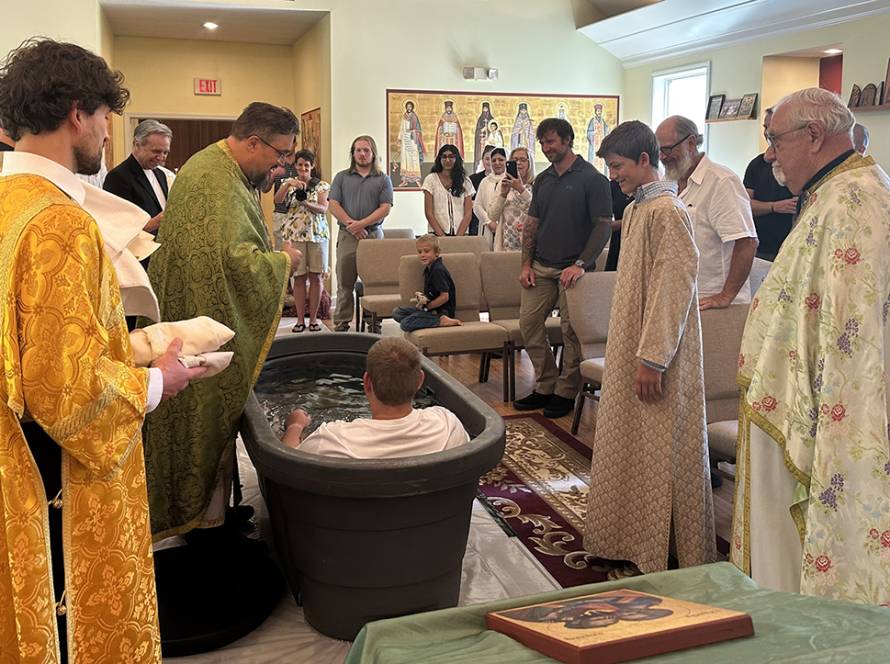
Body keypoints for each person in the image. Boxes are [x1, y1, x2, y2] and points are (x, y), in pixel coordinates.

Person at [0, 38, 203, 663]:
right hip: (52, 474)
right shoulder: (61, 221)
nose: (107, 133)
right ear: (77, 113)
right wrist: (158, 380)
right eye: (107, 117)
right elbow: (65, 390)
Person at [731, 88, 890, 605]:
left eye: (775, 141)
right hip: (795, 397)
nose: (770, 155)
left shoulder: (851, 203)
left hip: (822, 414)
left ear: (814, 136)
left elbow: (852, 332)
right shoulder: (841, 192)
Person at [141, 101, 303, 541]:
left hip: (190, 318)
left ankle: (214, 518)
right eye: (279, 154)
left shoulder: (210, 166)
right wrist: (283, 262)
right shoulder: (218, 182)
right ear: (253, 142)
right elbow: (239, 263)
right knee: (204, 419)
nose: (281, 164)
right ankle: (206, 530)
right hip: (200, 329)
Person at [583, 120, 717, 574]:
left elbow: (673, 288)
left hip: (660, 355)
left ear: (645, 160)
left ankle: (669, 549)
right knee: (633, 443)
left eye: (618, 166)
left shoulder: (667, 211)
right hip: (632, 344)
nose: (613, 175)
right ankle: (630, 538)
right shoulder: (640, 208)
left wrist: (653, 359)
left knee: (663, 450)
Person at [513, 118, 612, 418]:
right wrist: (526, 263)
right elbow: (532, 225)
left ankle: (566, 392)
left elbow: (603, 226)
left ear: (568, 140)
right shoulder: (543, 180)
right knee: (528, 325)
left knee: (571, 332)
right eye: (542, 143)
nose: (546, 148)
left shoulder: (593, 179)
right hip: (541, 267)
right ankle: (545, 384)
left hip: (575, 272)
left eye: (551, 142)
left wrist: (581, 264)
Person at [281, 338, 468, 457]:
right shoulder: (447, 424)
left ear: (367, 382)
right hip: (434, 517)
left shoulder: (331, 441)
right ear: (420, 381)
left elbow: (286, 465)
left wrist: (295, 426)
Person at [655, 116, 758, 308]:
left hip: (713, 304)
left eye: (668, 149)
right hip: (679, 298)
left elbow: (747, 242)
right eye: (658, 150)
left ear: (691, 143)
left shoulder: (722, 182)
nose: (662, 157)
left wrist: (725, 296)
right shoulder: (668, 183)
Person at [329, 135, 394, 332]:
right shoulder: (341, 177)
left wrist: (362, 224)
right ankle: (341, 324)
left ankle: (373, 322)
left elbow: (385, 207)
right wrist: (352, 225)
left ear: (373, 153)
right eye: (358, 150)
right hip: (347, 236)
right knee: (344, 283)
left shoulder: (383, 179)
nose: (362, 154)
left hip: (373, 237)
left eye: (366, 150)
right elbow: (333, 204)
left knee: (373, 284)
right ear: (353, 153)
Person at [275, 149, 330, 332]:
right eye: (300, 165)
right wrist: (287, 185)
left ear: (312, 166)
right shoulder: (288, 184)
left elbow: (323, 208)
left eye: (307, 165)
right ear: (295, 165)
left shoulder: (321, 185)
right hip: (295, 235)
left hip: (317, 235)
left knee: (316, 277)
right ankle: (300, 320)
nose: (303, 168)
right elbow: (278, 200)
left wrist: (305, 201)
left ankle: (313, 319)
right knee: (298, 278)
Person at [743, 108, 797, 261]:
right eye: (765, 127)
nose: (767, 132)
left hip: (789, 251)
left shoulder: (797, 165)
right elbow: (744, 206)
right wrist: (774, 206)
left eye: (771, 127)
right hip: (760, 248)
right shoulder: (756, 164)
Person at [104, 118, 173, 234]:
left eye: (165, 152)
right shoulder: (117, 177)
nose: (161, 157)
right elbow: (116, 227)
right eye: (156, 151)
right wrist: (151, 224)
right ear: (137, 144)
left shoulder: (161, 174)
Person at [392, 234, 463, 331]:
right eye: (419, 252)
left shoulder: (438, 270)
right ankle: (421, 319)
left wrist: (427, 307)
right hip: (430, 310)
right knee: (397, 312)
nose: (422, 255)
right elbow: (432, 293)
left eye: (426, 251)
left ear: (437, 252)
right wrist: (423, 299)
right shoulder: (429, 269)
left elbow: (445, 297)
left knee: (405, 324)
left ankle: (441, 321)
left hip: (440, 312)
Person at [488, 146, 535, 251]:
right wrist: (503, 195)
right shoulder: (502, 183)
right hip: (506, 244)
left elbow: (537, 211)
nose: (518, 163)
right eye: (514, 160)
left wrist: (521, 189)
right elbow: (492, 216)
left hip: (529, 242)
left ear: (529, 163)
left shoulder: (536, 184)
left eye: (522, 160)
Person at [422, 144, 474, 236]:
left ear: (457, 159)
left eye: (451, 157)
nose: (447, 160)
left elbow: (468, 213)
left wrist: (459, 236)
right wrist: (441, 235)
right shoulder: (431, 179)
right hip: (436, 234)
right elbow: (428, 212)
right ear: (439, 159)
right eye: (444, 157)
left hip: (461, 234)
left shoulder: (465, 181)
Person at [473, 146, 508, 249]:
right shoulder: (485, 181)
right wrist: (489, 222)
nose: (497, 163)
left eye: (501, 160)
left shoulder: (511, 180)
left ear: (507, 161)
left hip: (505, 227)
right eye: (494, 160)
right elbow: (477, 206)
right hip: (487, 227)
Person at [271, 151, 298, 249]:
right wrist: (273, 175)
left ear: (294, 143)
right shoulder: (277, 163)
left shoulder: (301, 163)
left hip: (298, 215)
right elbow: (265, 188)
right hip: (280, 213)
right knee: (280, 250)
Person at [397, 100, 425, 187]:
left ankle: (416, 180)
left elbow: (418, 129)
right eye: (407, 106)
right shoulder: (404, 116)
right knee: (405, 158)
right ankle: (405, 180)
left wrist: (413, 131)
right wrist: (399, 138)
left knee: (414, 157)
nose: (409, 108)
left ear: (412, 107)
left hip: (412, 140)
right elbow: (402, 128)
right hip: (405, 139)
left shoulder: (414, 117)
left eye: (410, 106)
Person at [468, 144, 495, 236]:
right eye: (487, 159)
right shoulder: (473, 179)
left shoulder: (504, 179)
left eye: (493, 159)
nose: (490, 162)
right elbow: (469, 202)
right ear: (483, 160)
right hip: (477, 221)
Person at [586, 103, 610, 173]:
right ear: (595, 112)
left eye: (600, 111)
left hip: (601, 143)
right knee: (594, 159)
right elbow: (589, 132)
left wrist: (607, 130)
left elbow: (606, 131)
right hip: (594, 144)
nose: (599, 112)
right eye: (598, 111)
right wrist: (594, 132)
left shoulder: (603, 121)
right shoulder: (592, 121)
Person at [473, 101, 494, 170]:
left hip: (489, 140)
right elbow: (477, 131)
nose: (485, 110)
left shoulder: (491, 119)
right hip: (482, 141)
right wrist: (482, 130)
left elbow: (494, 129)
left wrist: (488, 129)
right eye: (484, 109)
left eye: (486, 109)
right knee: (481, 154)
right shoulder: (480, 119)